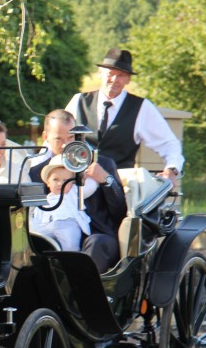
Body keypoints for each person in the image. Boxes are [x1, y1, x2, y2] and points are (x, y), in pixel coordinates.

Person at [64, 48, 184, 187]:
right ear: (101, 74)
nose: (114, 80)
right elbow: (58, 137)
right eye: (110, 74)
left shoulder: (141, 108)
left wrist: (172, 170)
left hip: (119, 189)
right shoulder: (79, 101)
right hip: (79, 184)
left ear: (128, 79)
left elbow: (169, 143)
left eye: (121, 75)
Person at [28, 109, 127, 272]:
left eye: (71, 138)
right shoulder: (37, 172)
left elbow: (120, 211)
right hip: (53, 233)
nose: (66, 145)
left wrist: (105, 179)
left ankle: (82, 293)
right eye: (59, 139)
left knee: (97, 244)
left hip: (97, 234)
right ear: (45, 137)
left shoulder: (103, 163)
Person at [29, 155, 91, 252]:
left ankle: (70, 264)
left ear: (72, 183)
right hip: (46, 225)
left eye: (65, 180)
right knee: (40, 244)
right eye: (55, 179)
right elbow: (37, 214)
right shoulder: (46, 199)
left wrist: (87, 176)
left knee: (70, 246)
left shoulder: (74, 192)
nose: (60, 184)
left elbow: (91, 186)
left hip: (67, 223)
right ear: (48, 183)